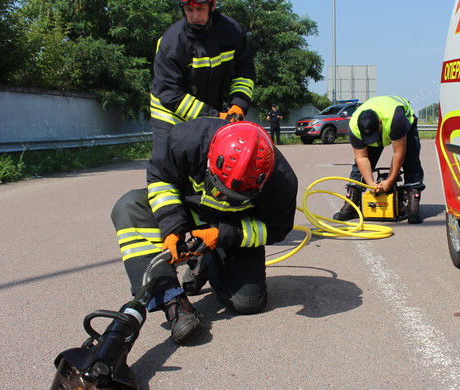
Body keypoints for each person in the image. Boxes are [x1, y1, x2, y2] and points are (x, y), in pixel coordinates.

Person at [111, 118, 298, 344]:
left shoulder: (282, 181)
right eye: (219, 189)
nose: (223, 199)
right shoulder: (185, 140)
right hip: (187, 211)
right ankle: (172, 301)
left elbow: (277, 229)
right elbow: (161, 180)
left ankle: (207, 262)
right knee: (129, 206)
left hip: (230, 229)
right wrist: (171, 228)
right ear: (210, 159)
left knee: (248, 302)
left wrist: (221, 235)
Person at [149, 0, 256, 152]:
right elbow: (169, 92)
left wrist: (238, 105)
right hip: (170, 114)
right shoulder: (172, 42)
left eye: (200, 9)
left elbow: (244, 72)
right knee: (167, 166)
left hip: (212, 110)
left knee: (216, 163)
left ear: (213, 6)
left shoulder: (232, 32)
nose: (194, 15)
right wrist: (215, 116)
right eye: (189, 10)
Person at [332, 95, 425, 224]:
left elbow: (399, 153)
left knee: (410, 159)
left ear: (380, 121)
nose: (373, 140)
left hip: (404, 123)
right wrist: (370, 183)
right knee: (358, 168)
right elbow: (362, 158)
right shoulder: (354, 126)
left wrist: (390, 180)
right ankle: (351, 205)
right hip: (381, 126)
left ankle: (413, 207)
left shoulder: (395, 118)